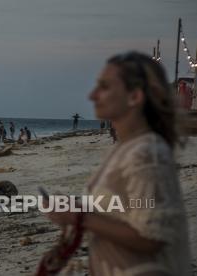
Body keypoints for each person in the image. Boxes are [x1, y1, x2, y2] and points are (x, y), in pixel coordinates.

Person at [42, 52, 191, 275]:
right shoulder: (127, 148)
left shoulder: (146, 153)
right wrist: (80, 208)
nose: (92, 95)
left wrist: (78, 217)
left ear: (134, 97)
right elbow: (128, 209)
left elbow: (153, 237)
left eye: (104, 87)